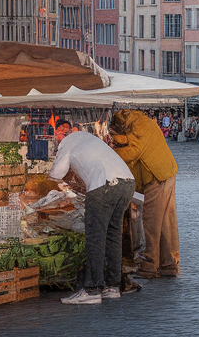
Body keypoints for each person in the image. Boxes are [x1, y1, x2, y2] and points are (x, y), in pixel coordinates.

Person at [50, 121, 135, 304]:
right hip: (127, 183)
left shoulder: (67, 144)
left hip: (104, 185)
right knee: (113, 235)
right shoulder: (89, 139)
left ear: (62, 137)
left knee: (95, 237)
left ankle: (92, 289)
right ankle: (112, 286)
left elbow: (56, 174)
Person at [111, 109, 180, 280]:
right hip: (163, 173)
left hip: (157, 176)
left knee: (152, 222)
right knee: (165, 222)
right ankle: (168, 264)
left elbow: (134, 151)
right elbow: (131, 142)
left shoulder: (141, 124)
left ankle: (150, 265)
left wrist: (108, 151)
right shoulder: (140, 124)